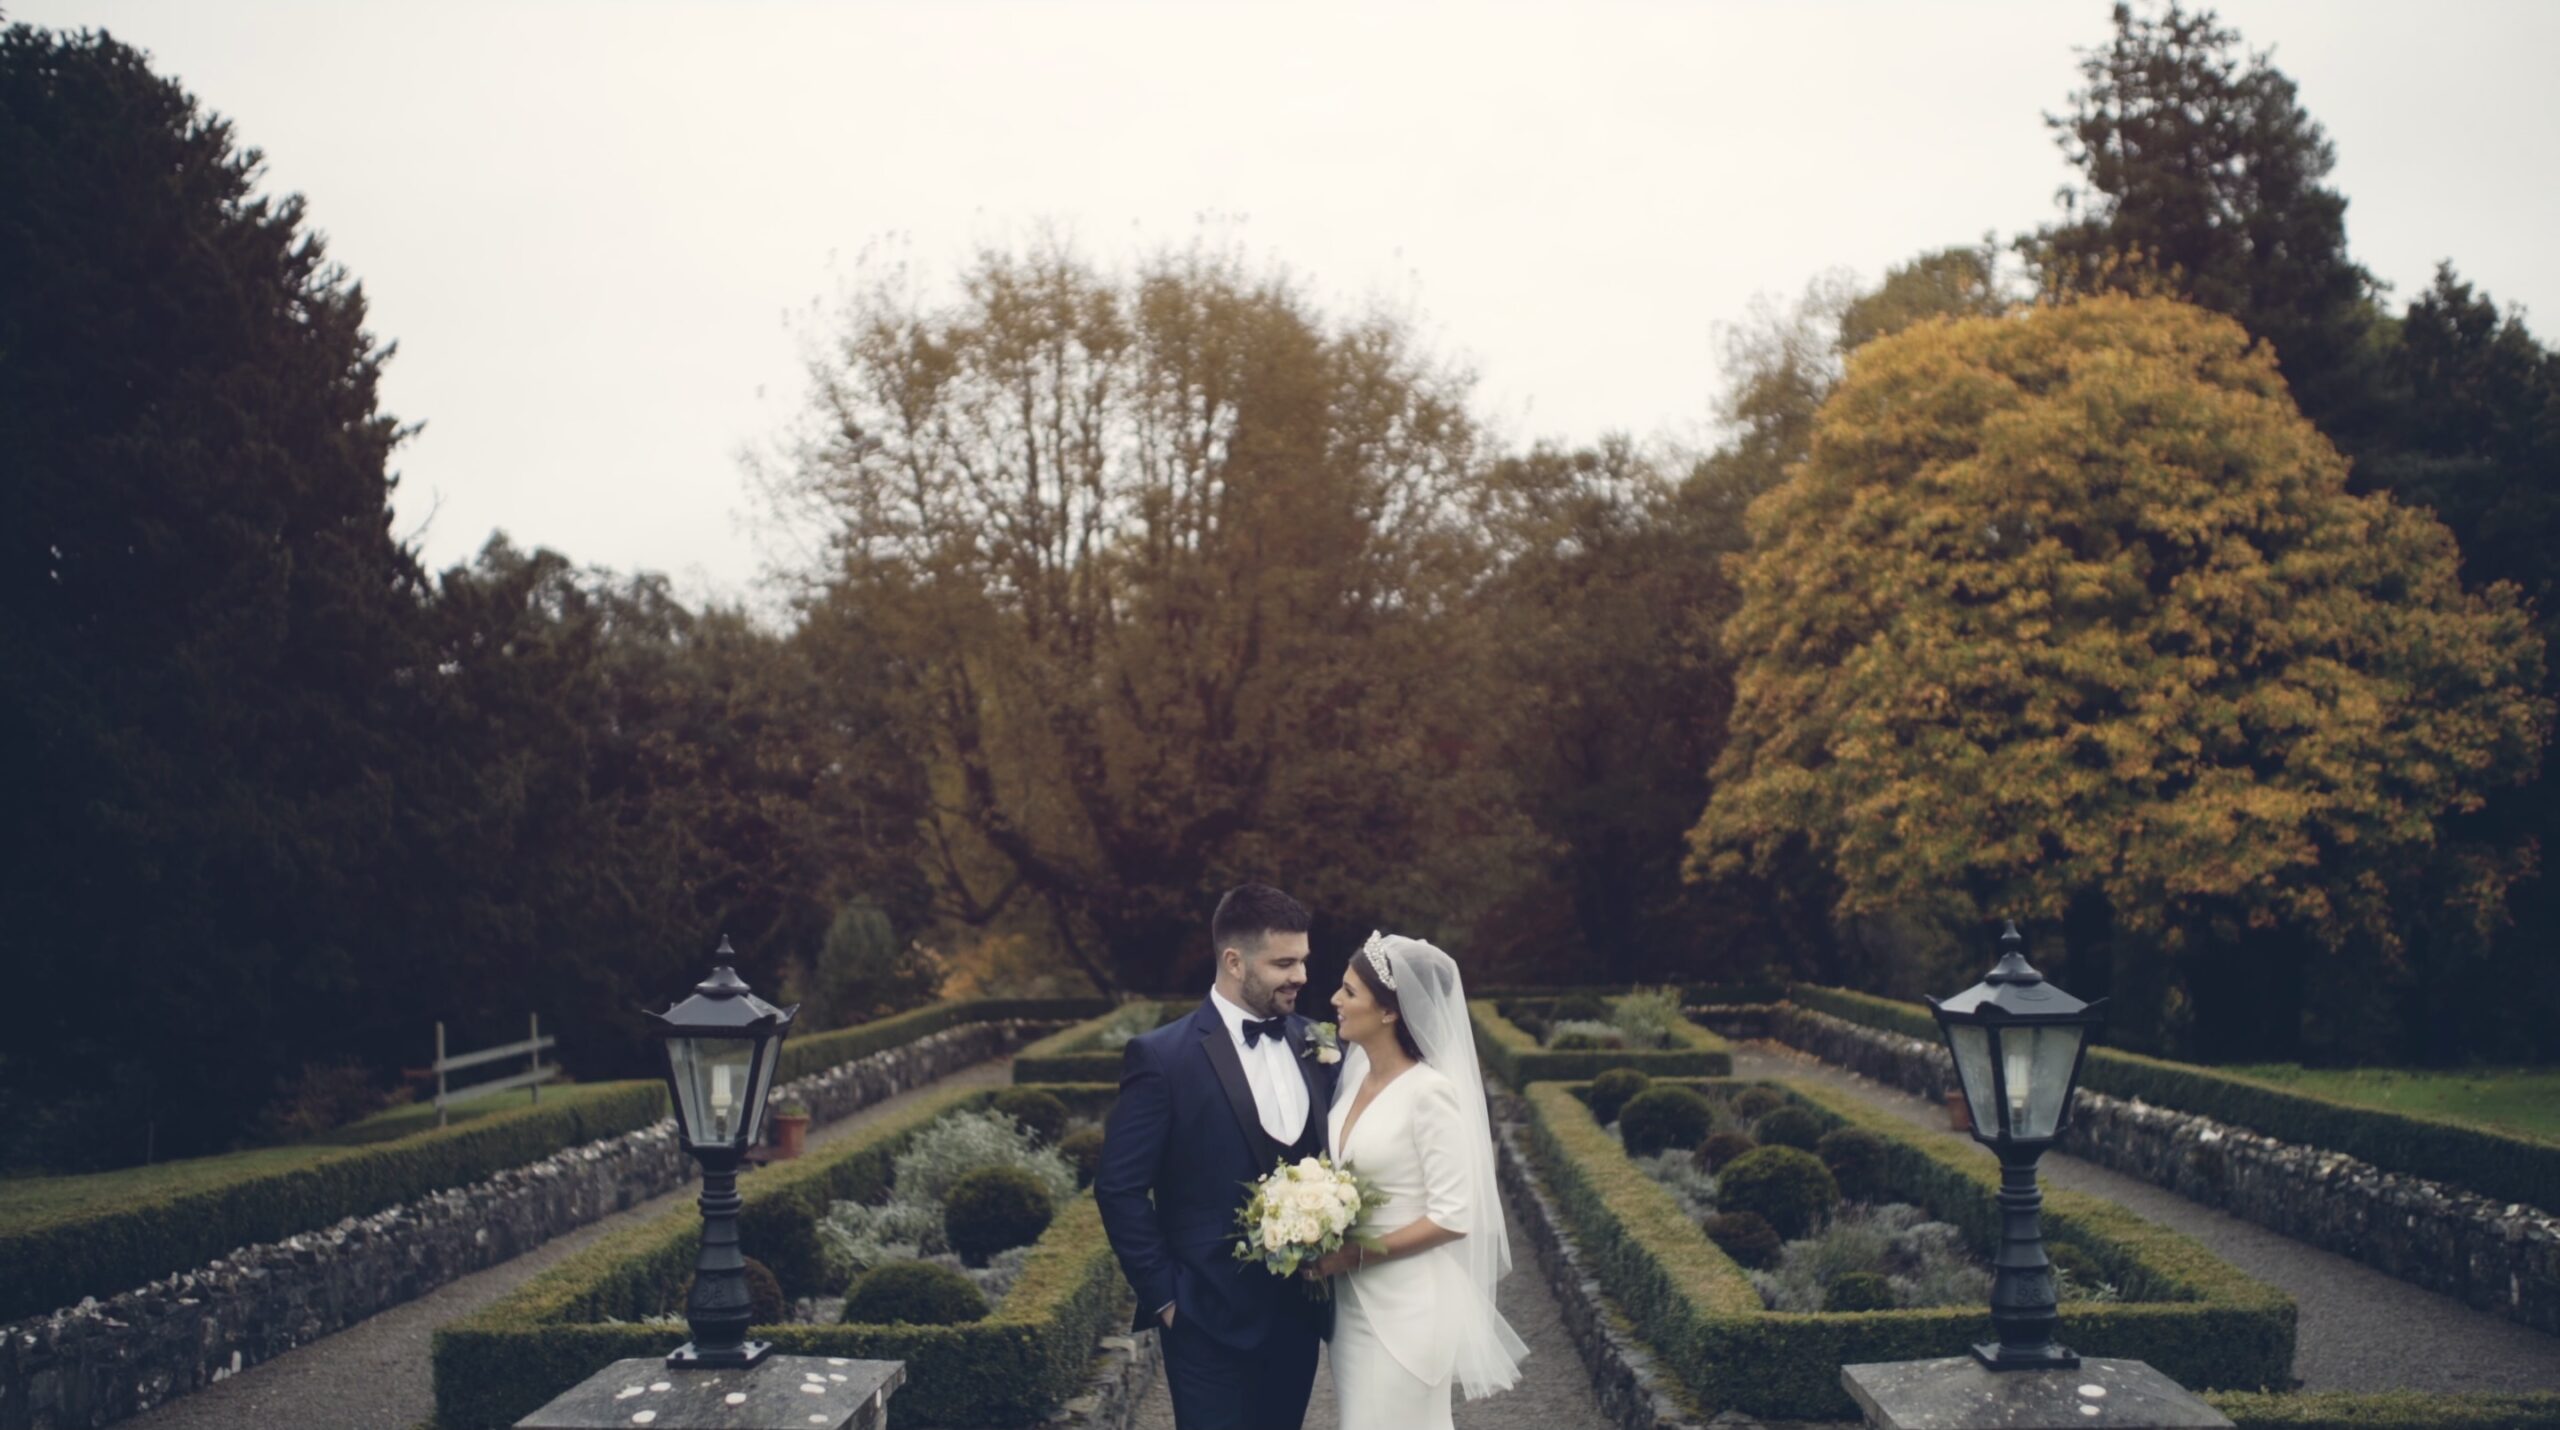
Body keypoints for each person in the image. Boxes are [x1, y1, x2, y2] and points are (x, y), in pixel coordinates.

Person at [1095, 884, 1340, 1430]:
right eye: (1284, 962)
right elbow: (1118, 1187)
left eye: (1302, 959)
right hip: (1204, 1320)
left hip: (1299, 1320)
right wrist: (1166, 1298)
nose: (1300, 975)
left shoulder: (1316, 1044)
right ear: (1233, 961)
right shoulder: (1161, 1057)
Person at [1305, 931, 1527, 1428]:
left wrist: (1354, 1254)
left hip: (1407, 1308)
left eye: (1349, 991)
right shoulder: (1352, 1078)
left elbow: (1454, 1217)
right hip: (1351, 1307)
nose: (1335, 1000)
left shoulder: (1431, 1093)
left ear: (1389, 1012)